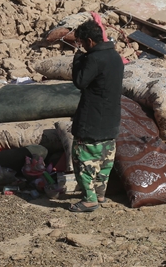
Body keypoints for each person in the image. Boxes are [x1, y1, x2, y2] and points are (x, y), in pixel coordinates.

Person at [68, 18, 124, 213]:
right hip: (111, 118)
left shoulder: (94, 59)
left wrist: (78, 59)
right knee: (104, 160)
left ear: (90, 41)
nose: (83, 47)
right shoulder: (115, 56)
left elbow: (80, 81)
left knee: (83, 159)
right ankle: (100, 194)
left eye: (83, 43)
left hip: (91, 119)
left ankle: (89, 200)